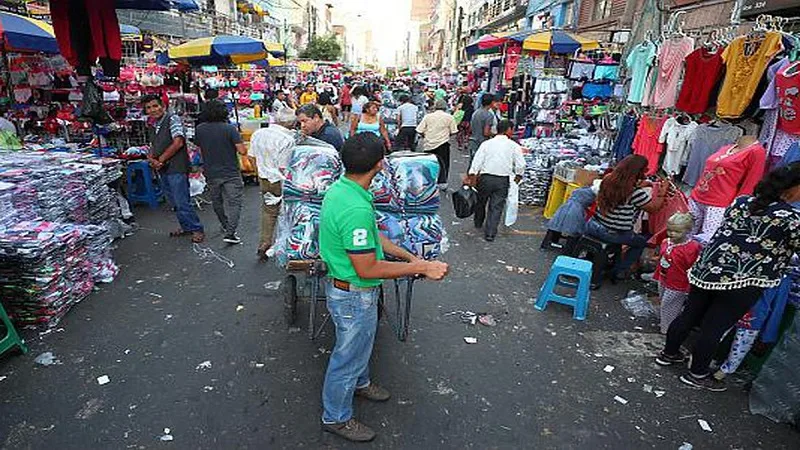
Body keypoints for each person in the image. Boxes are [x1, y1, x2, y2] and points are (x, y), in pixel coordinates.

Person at [319, 132, 449, 442]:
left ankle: (360, 383)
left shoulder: (345, 190)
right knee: (347, 356)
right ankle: (336, 417)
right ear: (380, 165)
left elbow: (374, 239)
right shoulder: (355, 208)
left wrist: (407, 255)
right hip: (353, 293)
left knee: (362, 344)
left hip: (354, 290)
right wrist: (421, 267)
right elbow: (367, 267)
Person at [656, 163, 800, 392]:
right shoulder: (791, 218)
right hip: (743, 279)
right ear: (793, 189)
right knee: (714, 327)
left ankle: (668, 354)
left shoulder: (741, 201)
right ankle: (697, 374)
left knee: (689, 315)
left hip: (707, 270)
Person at [585, 155, 668, 281]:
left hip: (592, 225)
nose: (646, 172)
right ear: (637, 172)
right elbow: (654, 208)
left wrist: (640, 185)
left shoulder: (608, 179)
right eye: (644, 170)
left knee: (629, 237)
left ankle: (602, 262)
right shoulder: (634, 193)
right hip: (612, 233)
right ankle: (619, 270)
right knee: (641, 241)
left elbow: (622, 190)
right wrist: (662, 192)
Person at [142, 94, 204, 243]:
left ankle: (196, 229)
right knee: (173, 200)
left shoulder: (172, 119)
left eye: (155, 106)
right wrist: (151, 158)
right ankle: (186, 226)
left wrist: (161, 160)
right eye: (149, 108)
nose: (152, 110)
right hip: (162, 168)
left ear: (162, 106)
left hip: (176, 166)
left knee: (181, 200)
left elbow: (178, 142)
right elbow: (153, 145)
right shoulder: (152, 124)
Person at [193, 100, 247, 244]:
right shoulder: (229, 129)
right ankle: (230, 232)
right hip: (230, 171)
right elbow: (242, 150)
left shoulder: (200, 129)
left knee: (217, 201)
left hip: (211, 171)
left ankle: (225, 224)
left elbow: (198, 147)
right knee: (234, 203)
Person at [249, 110, 297, 260]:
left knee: (269, 211)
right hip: (280, 180)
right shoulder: (287, 140)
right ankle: (285, 245)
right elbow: (284, 167)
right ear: (293, 123)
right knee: (287, 213)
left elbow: (251, 157)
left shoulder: (259, 133)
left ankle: (265, 243)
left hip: (264, 178)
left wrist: (260, 173)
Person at [468, 119, 526, 242]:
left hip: (485, 178)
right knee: (496, 206)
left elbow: (477, 161)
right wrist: (518, 176)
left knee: (481, 201)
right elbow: (521, 164)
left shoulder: (486, 144)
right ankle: (490, 233)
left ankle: (478, 222)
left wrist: (472, 175)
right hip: (502, 180)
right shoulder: (514, 146)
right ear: (508, 130)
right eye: (512, 129)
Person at [652, 213, 702, 334]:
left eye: (677, 231)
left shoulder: (692, 248)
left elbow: (693, 266)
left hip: (679, 283)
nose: (672, 234)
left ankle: (667, 329)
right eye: (670, 230)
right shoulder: (666, 242)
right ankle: (666, 323)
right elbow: (661, 259)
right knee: (664, 301)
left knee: (670, 305)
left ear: (687, 230)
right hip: (664, 278)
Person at [416, 98, 457, 188]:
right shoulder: (449, 117)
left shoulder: (428, 116)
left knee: (429, 164)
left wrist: (425, 136)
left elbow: (419, 130)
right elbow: (454, 131)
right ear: (445, 107)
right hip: (443, 144)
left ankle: (428, 181)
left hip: (429, 144)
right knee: (443, 164)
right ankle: (442, 182)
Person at [468, 94, 496, 160]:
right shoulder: (489, 115)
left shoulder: (476, 112)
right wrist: (495, 134)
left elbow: (470, 128)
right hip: (481, 142)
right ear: (491, 102)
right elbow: (486, 133)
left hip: (473, 141)